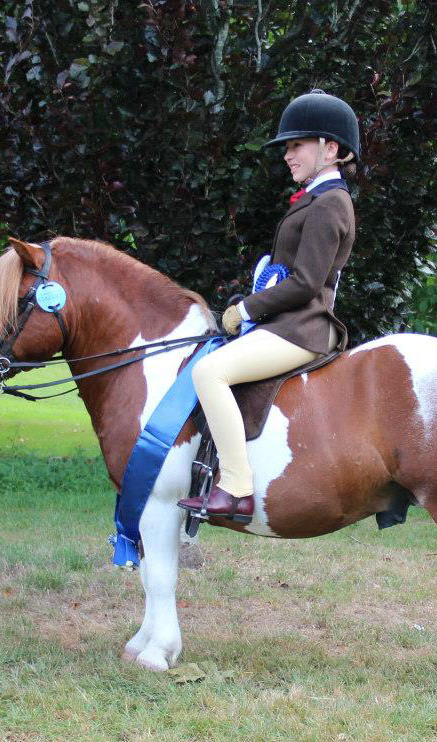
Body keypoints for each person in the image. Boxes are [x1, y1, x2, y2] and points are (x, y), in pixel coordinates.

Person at [177, 89, 359, 524]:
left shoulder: (331, 203)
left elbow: (306, 283)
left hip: (303, 327)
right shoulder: (314, 199)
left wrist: (249, 310)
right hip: (288, 322)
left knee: (209, 371)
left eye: (297, 145)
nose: (288, 155)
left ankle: (236, 487)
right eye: (288, 147)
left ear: (330, 149)